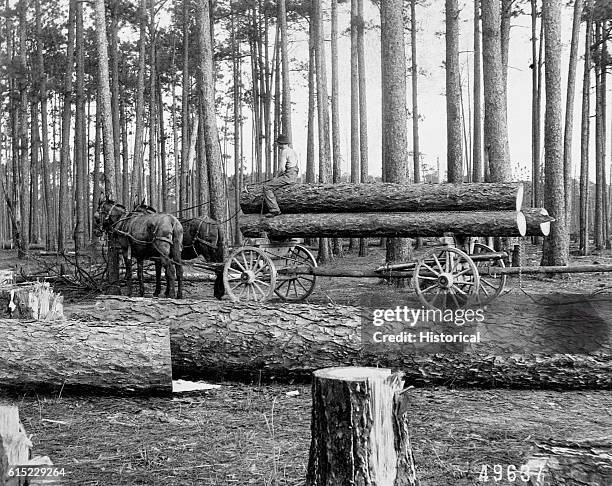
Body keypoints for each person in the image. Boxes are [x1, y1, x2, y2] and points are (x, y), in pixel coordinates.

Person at [263, 134, 299, 217]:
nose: (277, 145)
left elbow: (281, 169)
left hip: (288, 177)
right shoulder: (292, 151)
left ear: (281, 143)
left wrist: (276, 177)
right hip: (293, 176)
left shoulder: (284, 152)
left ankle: (274, 210)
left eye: (278, 143)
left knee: (267, 187)